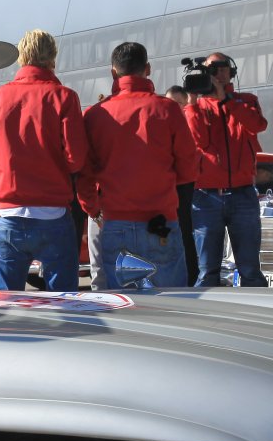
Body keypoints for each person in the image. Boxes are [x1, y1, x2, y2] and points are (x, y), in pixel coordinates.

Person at [77, 42, 199, 289]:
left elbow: (83, 172)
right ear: (148, 69)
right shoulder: (167, 110)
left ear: (113, 72)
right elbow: (189, 168)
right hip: (160, 221)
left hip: (116, 221)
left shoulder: (95, 115)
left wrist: (93, 209)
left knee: (123, 304)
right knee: (171, 302)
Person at [0, 28, 88, 291]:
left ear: (20, 58)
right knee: (64, 302)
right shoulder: (64, 97)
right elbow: (76, 159)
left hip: (9, 213)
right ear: (52, 58)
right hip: (53, 213)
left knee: (7, 303)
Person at [185, 52, 269, 287]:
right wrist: (192, 103)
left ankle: (258, 308)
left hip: (243, 193)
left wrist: (227, 100)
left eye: (221, 69)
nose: (217, 75)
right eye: (211, 70)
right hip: (206, 195)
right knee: (207, 271)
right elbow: (197, 141)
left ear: (231, 72)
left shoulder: (246, 101)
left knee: (250, 269)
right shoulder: (197, 107)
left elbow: (257, 125)